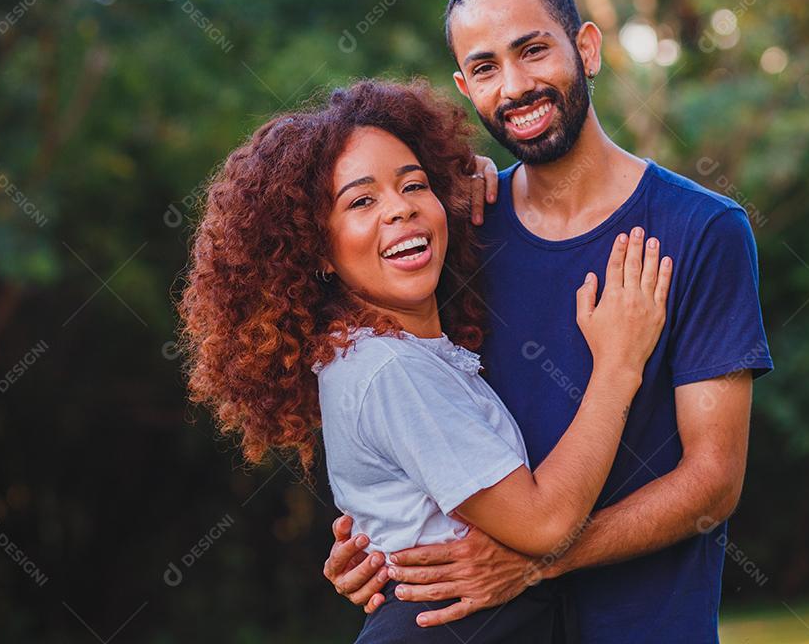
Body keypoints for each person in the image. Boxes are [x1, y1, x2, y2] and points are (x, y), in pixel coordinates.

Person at [323, 0, 775, 643]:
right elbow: (418, 427)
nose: (515, 86)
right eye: (485, 68)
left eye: (533, 50)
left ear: (585, 48)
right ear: (465, 86)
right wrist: (378, 539)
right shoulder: (457, 234)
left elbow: (714, 480)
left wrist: (538, 562)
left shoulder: (701, 230)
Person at [178, 78, 672, 642]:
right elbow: (545, 523)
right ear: (315, 250)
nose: (401, 210)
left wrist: (479, 179)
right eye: (361, 201)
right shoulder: (390, 370)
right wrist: (618, 365)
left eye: (414, 186)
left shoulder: (396, 356)